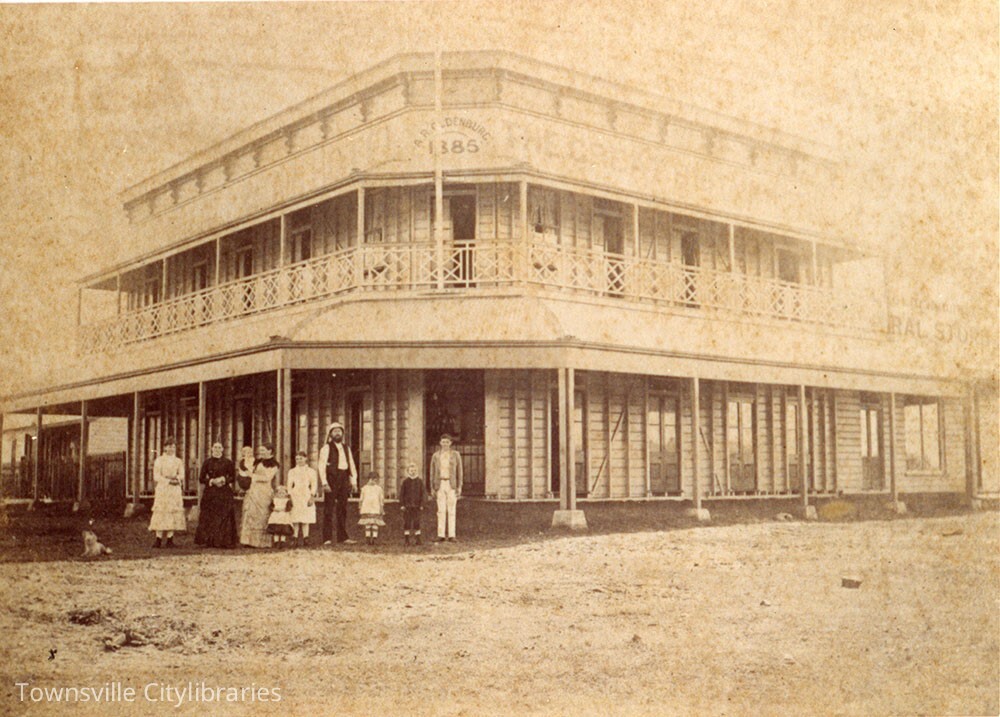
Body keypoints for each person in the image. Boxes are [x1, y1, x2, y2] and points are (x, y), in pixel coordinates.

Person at [318, 422, 357, 545]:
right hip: (331, 479)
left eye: (339, 431)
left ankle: (342, 537)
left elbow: (351, 465)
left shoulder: (347, 448)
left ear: (342, 433)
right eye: (334, 431)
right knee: (328, 509)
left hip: (343, 478)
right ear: (330, 434)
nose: (337, 433)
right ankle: (327, 538)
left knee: (342, 509)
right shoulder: (326, 448)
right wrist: (324, 483)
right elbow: (321, 466)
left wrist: (353, 481)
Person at [194, 441, 238, 548]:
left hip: (224, 492)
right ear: (212, 449)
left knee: (224, 515)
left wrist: (224, 479)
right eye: (215, 447)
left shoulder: (228, 462)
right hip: (211, 492)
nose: (217, 449)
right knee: (209, 515)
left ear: (223, 449)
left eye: (219, 447)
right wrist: (212, 481)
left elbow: (233, 477)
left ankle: (224, 541)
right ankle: (209, 541)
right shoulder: (207, 462)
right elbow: (201, 478)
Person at [149, 438, 186, 548]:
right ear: (165, 447)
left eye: (173, 447)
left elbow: (182, 475)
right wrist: (168, 480)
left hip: (174, 489)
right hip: (163, 489)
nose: (171, 449)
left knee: (172, 512)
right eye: (169, 446)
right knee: (162, 512)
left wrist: (177, 479)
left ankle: (170, 539)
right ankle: (158, 539)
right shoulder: (159, 460)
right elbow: (156, 476)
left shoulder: (178, 461)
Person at [240, 444, 278, 548]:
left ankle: (261, 542)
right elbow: (247, 469)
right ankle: (249, 541)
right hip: (254, 489)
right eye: (260, 451)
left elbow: (267, 478)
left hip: (264, 491)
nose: (261, 453)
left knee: (262, 514)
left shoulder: (273, 464)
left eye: (263, 450)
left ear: (270, 451)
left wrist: (252, 475)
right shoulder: (258, 462)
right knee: (251, 513)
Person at [430, 433, 463, 542]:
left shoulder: (455, 455)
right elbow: (432, 472)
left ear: (451, 443)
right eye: (443, 442)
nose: (445, 444)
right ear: (440, 443)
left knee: (452, 509)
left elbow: (460, 472)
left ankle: (452, 535)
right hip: (440, 484)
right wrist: (432, 487)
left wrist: (459, 486)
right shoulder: (435, 456)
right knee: (441, 510)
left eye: (447, 442)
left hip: (451, 484)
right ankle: (441, 534)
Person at [287, 451, 318, 547]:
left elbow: (314, 484)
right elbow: (289, 485)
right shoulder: (292, 471)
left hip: (306, 495)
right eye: (297, 459)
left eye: (301, 458)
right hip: (295, 494)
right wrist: (289, 496)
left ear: (305, 458)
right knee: (295, 517)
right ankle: (294, 538)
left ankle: (306, 538)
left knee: (305, 518)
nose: (299, 461)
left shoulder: (311, 471)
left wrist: (312, 496)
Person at [399, 461, 426, 546]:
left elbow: (423, 494)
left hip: (417, 506)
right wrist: (402, 504)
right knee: (407, 522)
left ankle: (418, 539)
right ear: (408, 471)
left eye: (414, 470)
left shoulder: (420, 482)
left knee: (417, 522)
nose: (413, 472)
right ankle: (407, 540)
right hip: (407, 506)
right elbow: (401, 494)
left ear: (416, 471)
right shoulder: (405, 482)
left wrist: (422, 504)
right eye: (411, 470)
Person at [358, 472, 385, 545]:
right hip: (367, 508)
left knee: (374, 523)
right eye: (372, 480)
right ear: (369, 479)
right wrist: (360, 507)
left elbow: (381, 499)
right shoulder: (364, 488)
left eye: (376, 480)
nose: (373, 482)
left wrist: (381, 508)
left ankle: (374, 538)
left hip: (375, 508)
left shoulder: (379, 489)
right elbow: (361, 499)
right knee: (368, 523)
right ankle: (368, 538)